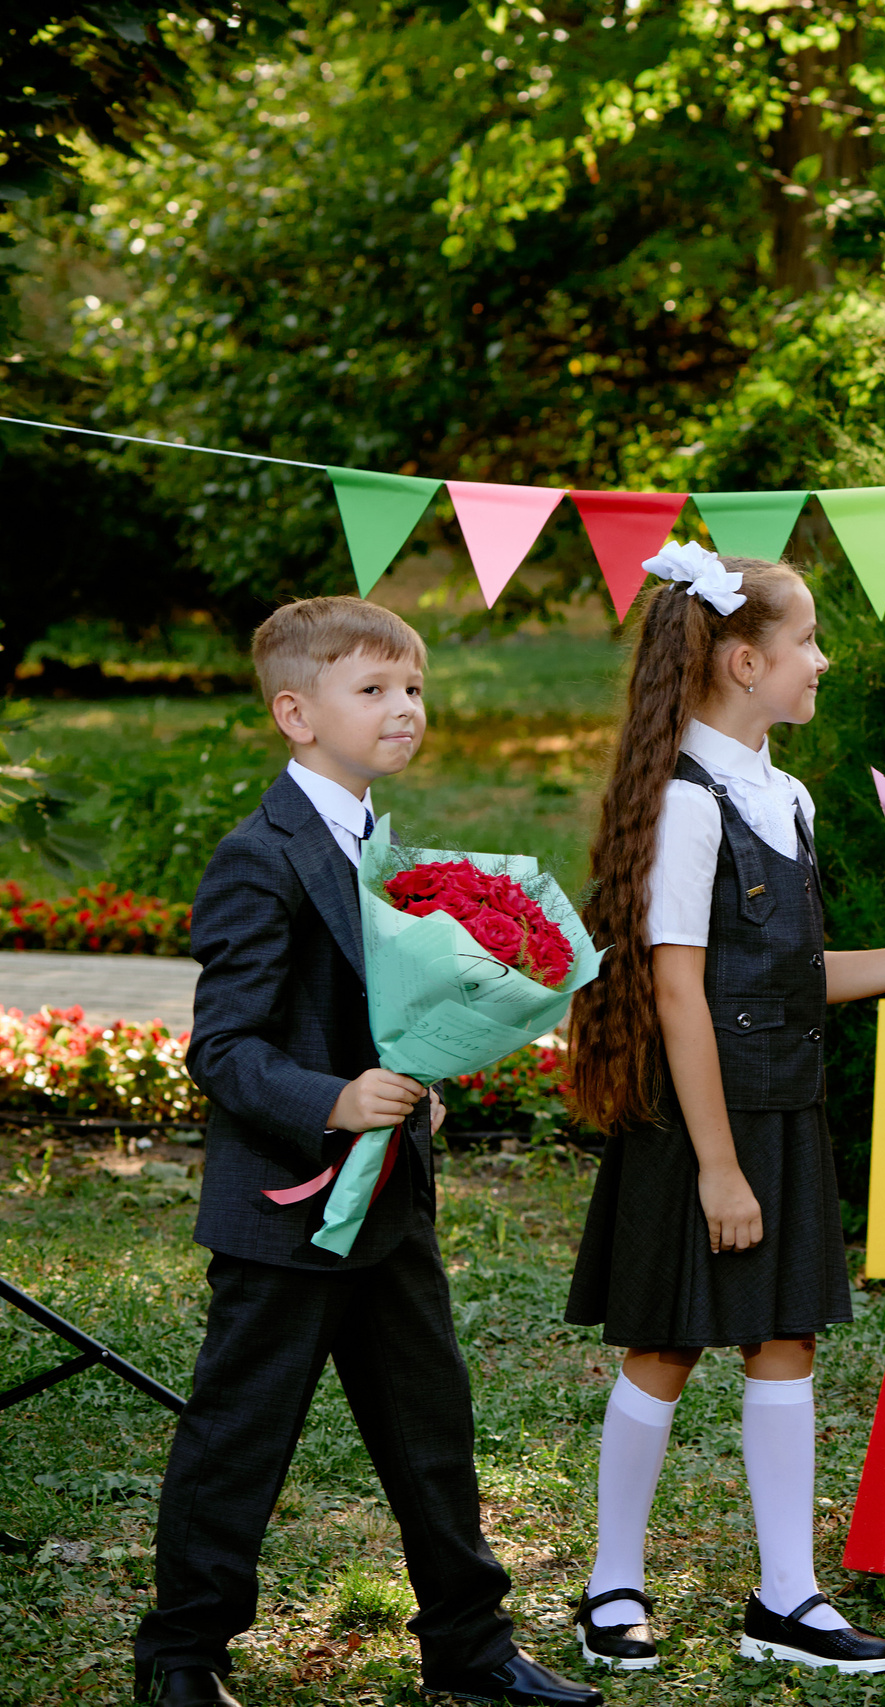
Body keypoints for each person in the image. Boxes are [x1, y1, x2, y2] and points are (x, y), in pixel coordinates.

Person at [136, 599, 600, 1707]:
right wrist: (335, 1099)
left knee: (431, 1427)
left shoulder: (388, 848)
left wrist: (419, 1089)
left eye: (414, 689)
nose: (406, 709)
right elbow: (225, 1048)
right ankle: (181, 1659)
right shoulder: (260, 856)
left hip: (389, 1204)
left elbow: (398, 1001)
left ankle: (469, 1647)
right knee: (239, 1439)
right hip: (282, 1211)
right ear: (296, 714)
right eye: (375, 691)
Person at [560, 544, 885, 1677]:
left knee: (785, 1340)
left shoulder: (785, 794)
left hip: (782, 1111)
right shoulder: (685, 800)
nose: (822, 660)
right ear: (745, 660)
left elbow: (790, 977)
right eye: (806, 641)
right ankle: (612, 1585)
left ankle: (786, 1598)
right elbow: (676, 989)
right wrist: (715, 1165)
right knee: (664, 1346)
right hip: (697, 1123)